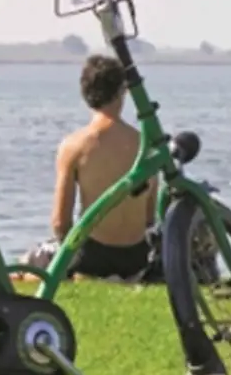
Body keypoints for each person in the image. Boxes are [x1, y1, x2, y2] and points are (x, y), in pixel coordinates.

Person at [45, 55, 158, 281]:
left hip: (92, 258)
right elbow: (149, 217)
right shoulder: (146, 144)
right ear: (122, 92)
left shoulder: (74, 146)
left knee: (29, 262)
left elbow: (60, 222)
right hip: (136, 257)